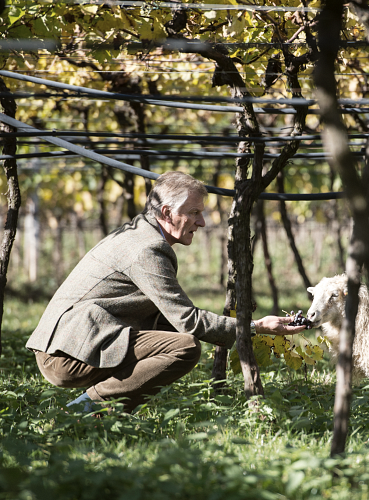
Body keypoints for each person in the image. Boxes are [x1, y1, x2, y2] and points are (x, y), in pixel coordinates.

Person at [26, 171, 304, 413]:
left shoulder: (140, 234)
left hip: (69, 344)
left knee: (170, 332)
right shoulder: (148, 248)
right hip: (66, 355)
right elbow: (188, 321)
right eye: (194, 212)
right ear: (167, 213)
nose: (202, 222)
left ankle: (109, 414)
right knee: (183, 347)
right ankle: (88, 408)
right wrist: (256, 326)